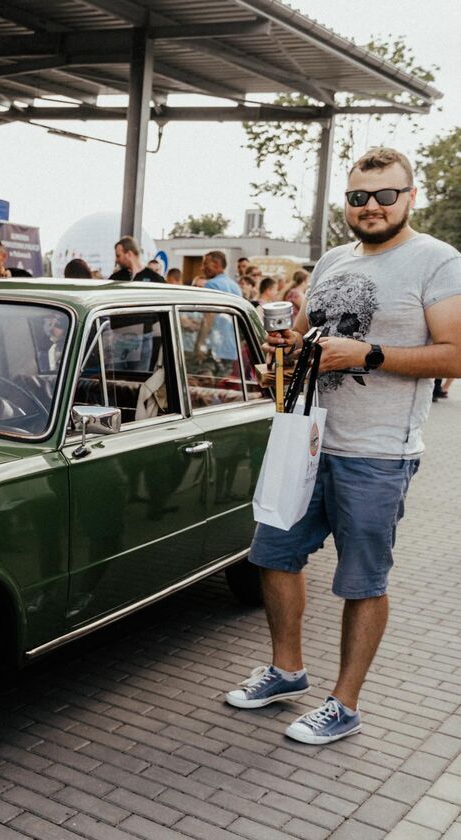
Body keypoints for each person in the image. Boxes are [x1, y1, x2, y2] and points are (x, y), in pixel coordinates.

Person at [226, 146, 461, 745]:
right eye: (359, 197)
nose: (372, 206)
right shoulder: (331, 259)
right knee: (272, 555)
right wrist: (283, 355)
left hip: (378, 454)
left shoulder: (438, 261)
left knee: (363, 580)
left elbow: (456, 355)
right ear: (347, 203)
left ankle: (345, 703)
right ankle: (287, 671)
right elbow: (306, 338)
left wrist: (370, 354)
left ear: (410, 197)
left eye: (386, 195)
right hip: (305, 441)